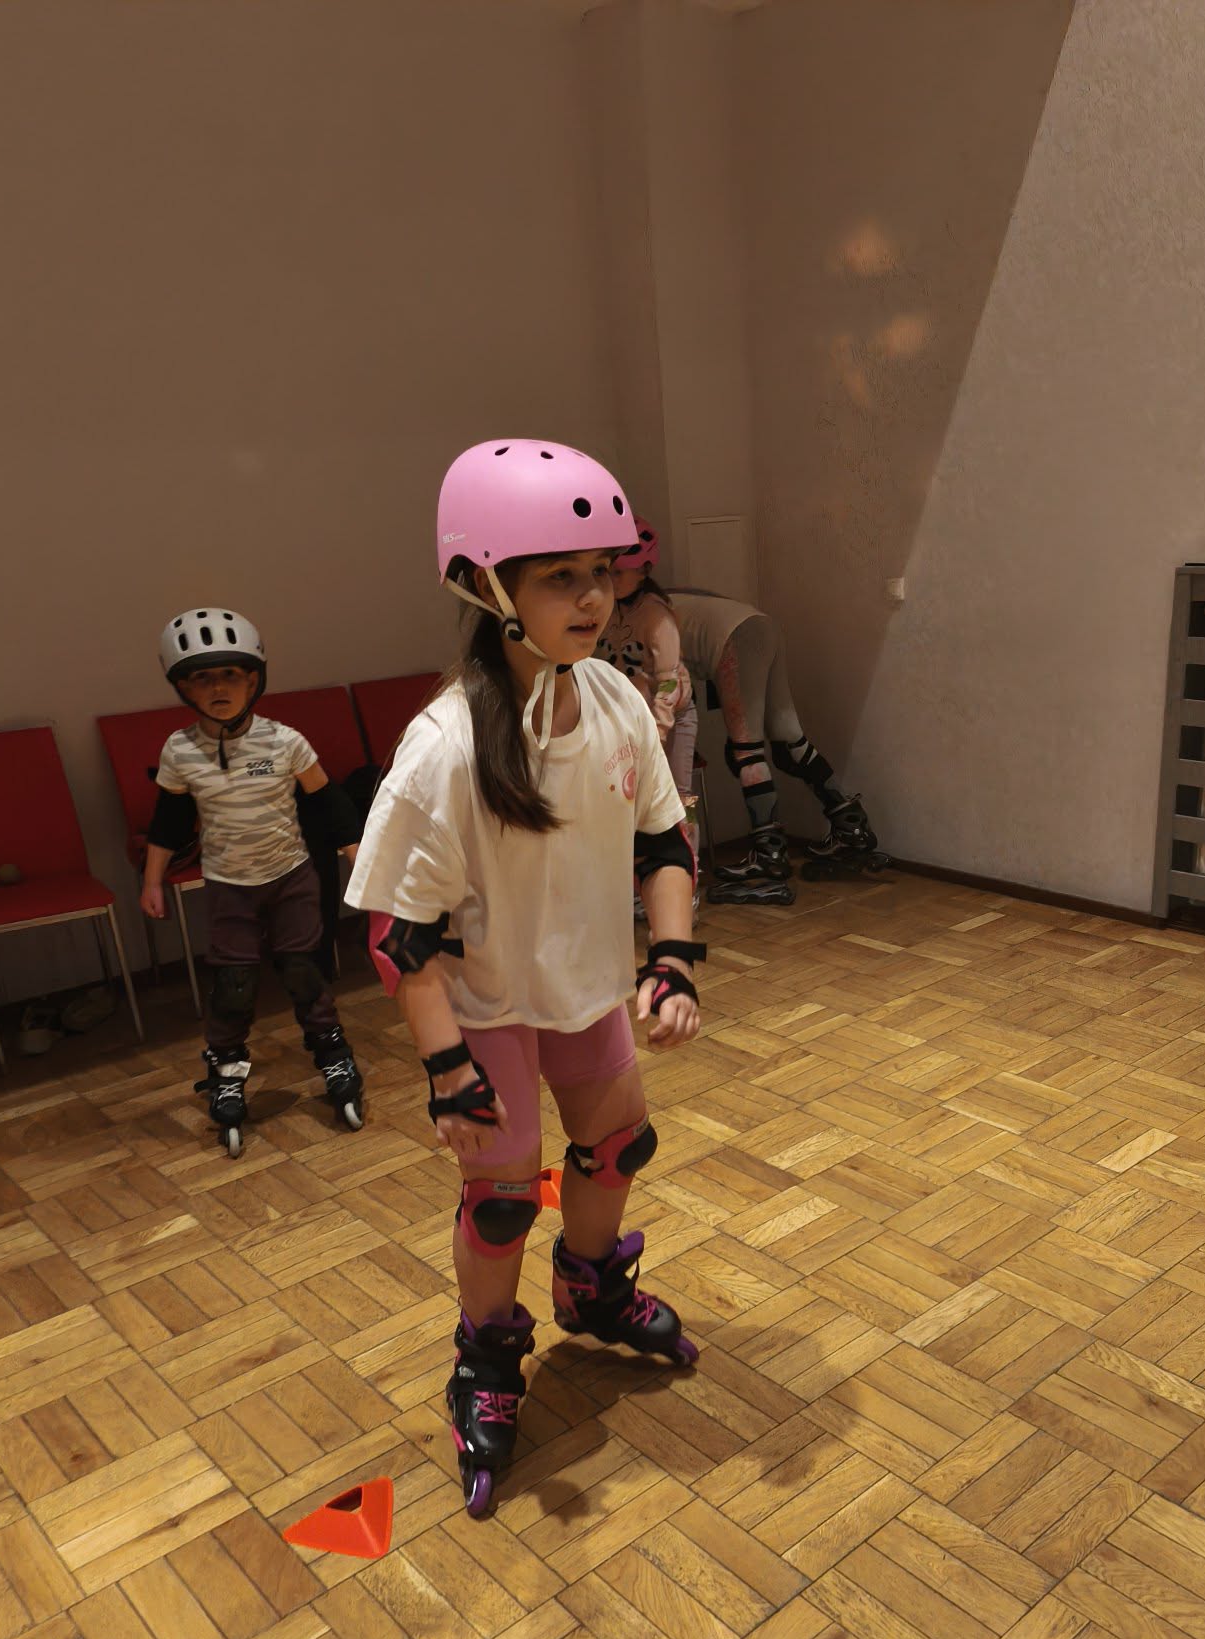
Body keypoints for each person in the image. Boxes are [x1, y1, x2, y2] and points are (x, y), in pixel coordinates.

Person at [344, 441, 704, 1517]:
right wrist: (447, 1069)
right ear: (485, 585)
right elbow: (398, 933)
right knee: (502, 1203)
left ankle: (592, 1291)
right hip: (485, 1005)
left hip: (584, 988)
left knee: (619, 1147)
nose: (595, 597)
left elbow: (664, 841)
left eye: (603, 571)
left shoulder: (614, 700)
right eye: (561, 577)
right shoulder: (445, 747)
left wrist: (671, 958)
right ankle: (488, 1357)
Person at [141, 608, 365, 1155]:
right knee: (234, 983)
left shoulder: (285, 741)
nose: (218, 688)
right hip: (228, 886)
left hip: (291, 877)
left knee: (302, 971)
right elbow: (168, 821)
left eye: (230, 675)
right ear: (183, 687)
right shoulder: (179, 751)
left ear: (254, 680)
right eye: (203, 678)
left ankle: (333, 1054)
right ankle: (225, 1068)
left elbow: (328, 802)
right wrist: (152, 881)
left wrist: (358, 855)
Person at [670, 588, 888, 903]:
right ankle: (851, 824)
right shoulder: (669, 599)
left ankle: (768, 853)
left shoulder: (638, 618)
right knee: (789, 741)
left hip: (734, 638)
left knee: (746, 752)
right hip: (759, 623)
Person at [597, 521, 701, 916]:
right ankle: (638, 889)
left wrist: (656, 734)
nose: (611, 581)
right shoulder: (607, 608)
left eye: (619, 573)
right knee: (629, 805)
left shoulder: (657, 616)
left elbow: (668, 683)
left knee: (678, 800)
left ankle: (686, 889)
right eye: (607, 571)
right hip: (627, 721)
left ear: (643, 571)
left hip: (670, 718)